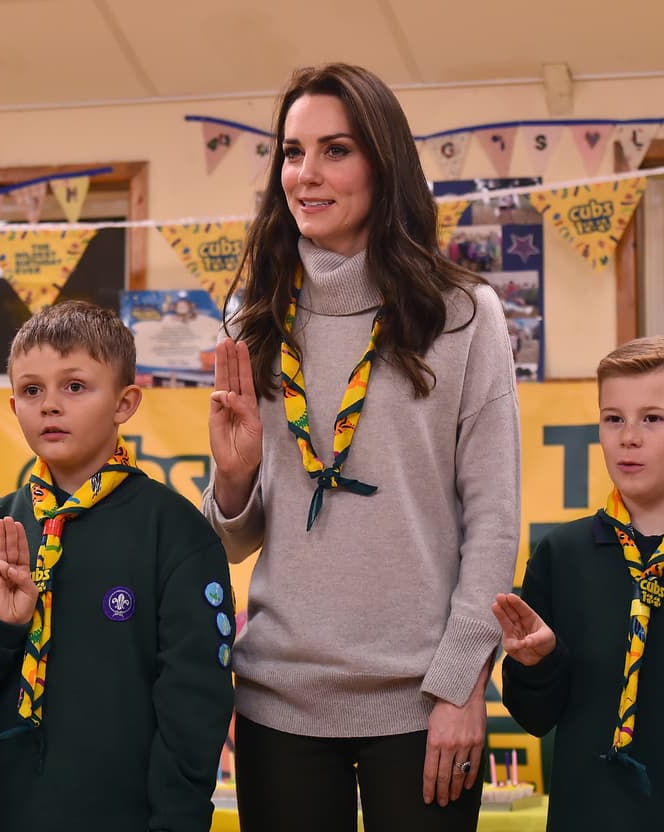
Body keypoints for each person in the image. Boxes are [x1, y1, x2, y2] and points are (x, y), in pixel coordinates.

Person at [203, 62, 521, 831]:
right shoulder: (256, 319)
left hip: (424, 700)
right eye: (292, 152)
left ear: (385, 165)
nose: (306, 174)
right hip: (279, 699)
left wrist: (461, 683)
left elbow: (494, 519)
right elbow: (235, 539)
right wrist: (234, 480)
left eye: (335, 150)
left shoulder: (463, 314)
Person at [0, 300, 235, 831]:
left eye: (74, 386)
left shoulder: (175, 532)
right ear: (13, 405)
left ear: (124, 402)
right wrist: (0, 630)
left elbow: (195, 702)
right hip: (0, 813)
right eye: (32, 391)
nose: (50, 406)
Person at [494, 336, 664, 830]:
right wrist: (536, 665)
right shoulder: (563, 555)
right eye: (613, 418)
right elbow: (535, 717)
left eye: (653, 419)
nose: (628, 437)